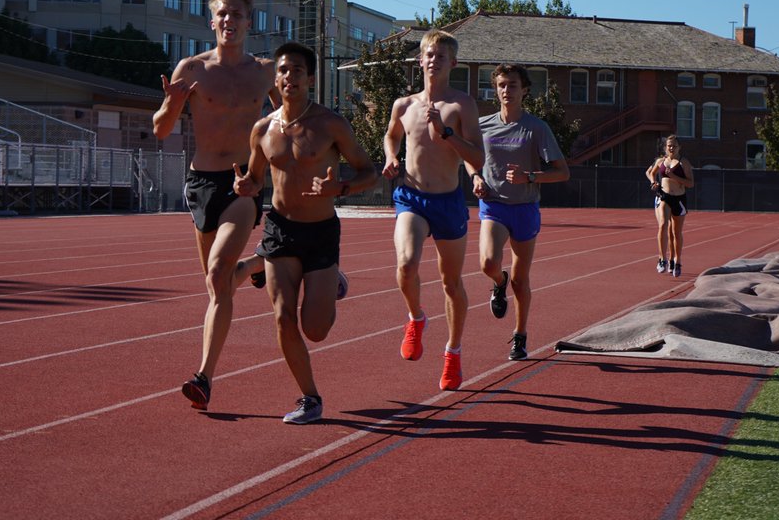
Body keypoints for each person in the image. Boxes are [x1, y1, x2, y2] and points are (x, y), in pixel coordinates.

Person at [233, 42, 378, 424]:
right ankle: (309, 398)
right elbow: (255, 179)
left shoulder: (330, 124)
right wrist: (247, 187)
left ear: (310, 78)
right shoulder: (262, 129)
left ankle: (333, 282)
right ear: (276, 78)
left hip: (321, 232)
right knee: (283, 317)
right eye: (283, 70)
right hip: (280, 230)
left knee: (316, 329)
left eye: (297, 70)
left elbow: (369, 171)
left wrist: (341, 188)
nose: (289, 77)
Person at [151, 0, 279, 411]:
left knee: (219, 272)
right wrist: (171, 104)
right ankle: (262, 262)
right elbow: (160, 129)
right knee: (217, 281)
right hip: (200, 185)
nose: (229, 21)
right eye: (222, 14)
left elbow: (293, 118)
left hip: (243, 182)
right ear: (212, 21)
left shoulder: (264, 72)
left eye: (237, 15)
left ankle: (203, 377)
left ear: (249, 22)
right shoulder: (193, 69)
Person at [382, 29, 484, 390]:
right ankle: (415, 317)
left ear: (452, 63)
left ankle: (453, 352)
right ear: (420, 60)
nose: (434, 59)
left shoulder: (462, 105)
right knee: (406, 265)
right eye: (429, 54)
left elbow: (477, 156)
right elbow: (392, 134)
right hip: (411, 197)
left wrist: (446, 134)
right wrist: (392, 157)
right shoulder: (404, 104)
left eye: (441, 55)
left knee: (450, 282)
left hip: (448, 200)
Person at [466, 64, 570, 362]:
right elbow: (469, 158)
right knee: (487, 262)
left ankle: (520, 335)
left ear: (524, 89)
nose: (506, 90)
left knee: (521, 281)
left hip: (524, 208)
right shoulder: (482, 125)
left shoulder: (537, 128)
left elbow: (562, 173)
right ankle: (498, 282)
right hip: (494, 205)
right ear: (495, 89)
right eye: (501, 85)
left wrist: (531, 177)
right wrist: (475, 177)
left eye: (512, 85)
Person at [645, 135, 694, 277]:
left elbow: (690, 183)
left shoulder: (683, 162)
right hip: (664, 196)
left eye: (674, 146)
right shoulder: (661, 161)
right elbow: (650, 173)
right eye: (669, 146)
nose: (671, 148)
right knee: (662, 225)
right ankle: (662, 259)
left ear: (679, 147)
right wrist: (653, 182)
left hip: (679, 198)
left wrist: (673, 176)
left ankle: (676, 261)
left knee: (675, 233)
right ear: (665, 147)